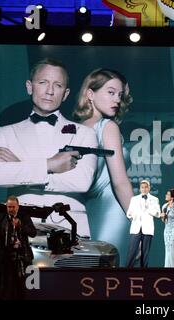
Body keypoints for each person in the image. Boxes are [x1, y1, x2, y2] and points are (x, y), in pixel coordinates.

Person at [0, 58, 98, 237]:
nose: (50, 91)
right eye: (43, 82)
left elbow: (81, 181)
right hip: (19, 228)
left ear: (65, 94)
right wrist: (49, 165)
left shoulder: (85, 133)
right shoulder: (6, 132)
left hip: (70, 227)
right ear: (30, 86)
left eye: (57, 85)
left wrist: (20, 165)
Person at [73, 68, 134, 262]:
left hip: (85, 215)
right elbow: (120, 183)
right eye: (110, 92)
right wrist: (140, 221)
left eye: (120, 94)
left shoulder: (76, 128)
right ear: (90, 93)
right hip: (113, 211)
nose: (117, 99)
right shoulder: (108, 127)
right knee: (114, 278)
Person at [0, 195, 37, 299]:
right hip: (4, 257)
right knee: (4, 287)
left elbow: (33, 233)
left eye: (13, 207)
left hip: (21, 257)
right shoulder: (1, 216)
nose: (11, 209)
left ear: (18, 206)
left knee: (20, 287)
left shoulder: (24, 217)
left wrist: (21, 225)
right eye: (9, 207)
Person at [126, 180, 161, 267]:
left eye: (146, 187)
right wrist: (131, 215)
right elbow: (128, 212)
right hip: (136, 228)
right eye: (142, 187)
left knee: (145, 253)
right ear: (140, 189)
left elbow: (158, 214)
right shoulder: (134, 199)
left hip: (148, 229)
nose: (144, 189)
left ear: (149, 188)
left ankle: (144, 272)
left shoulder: (154, 199)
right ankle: (127, 270)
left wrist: (148, 207)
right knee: (132, 251)